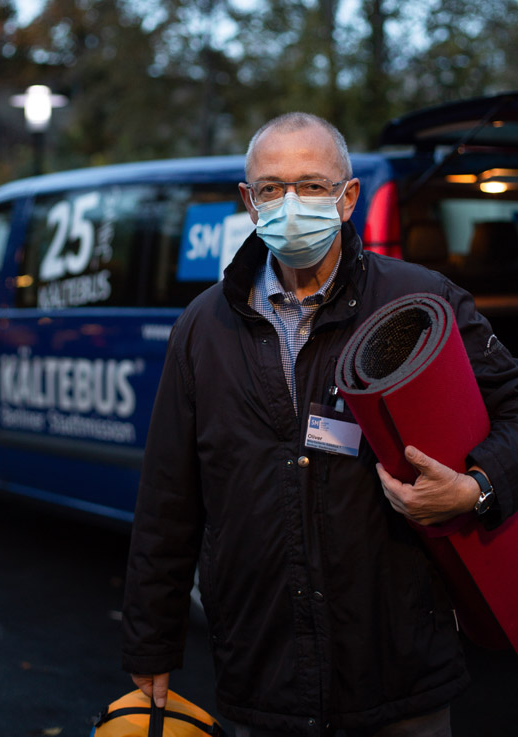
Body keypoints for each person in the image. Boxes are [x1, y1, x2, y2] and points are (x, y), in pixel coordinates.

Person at [122, 112, 518, 737]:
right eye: (273, 188)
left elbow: (514, 412)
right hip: (263, 667)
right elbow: (168, 496)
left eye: (311, 185)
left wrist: (477, 486)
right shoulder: (201, 328)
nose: (292, 202)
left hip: (398, 668)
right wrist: (151, 645)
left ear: (348, 197)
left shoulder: (422, 300)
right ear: (249, 204)